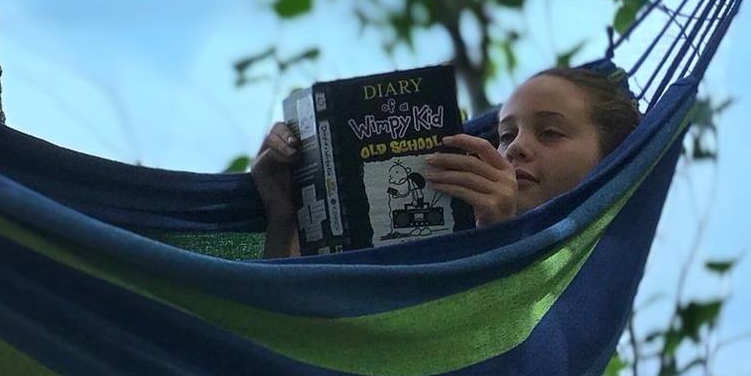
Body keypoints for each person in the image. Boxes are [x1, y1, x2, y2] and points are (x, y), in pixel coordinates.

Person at [251, 67, 644, 258]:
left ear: (613, 158)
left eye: (551, 133)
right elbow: (279, 336)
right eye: (505, 135)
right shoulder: (447, 231)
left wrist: (497, 239)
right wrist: (283, 216)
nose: (515, 149)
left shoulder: (592, 278)